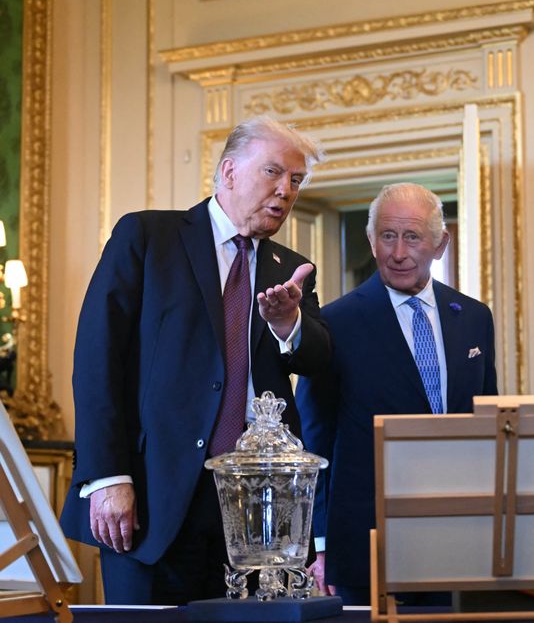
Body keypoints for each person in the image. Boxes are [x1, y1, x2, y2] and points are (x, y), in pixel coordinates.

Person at [59, 116, 332, 604]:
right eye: (273, 172)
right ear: (229, 172)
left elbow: (318, 359)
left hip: (256, 507)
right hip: (152, 493)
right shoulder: (147, 237)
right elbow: (97, 359)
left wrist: (288, 323)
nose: (286, 191)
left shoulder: (289, 268)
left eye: (295, 180)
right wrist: (106, 476)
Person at [296, 182, 498, 604]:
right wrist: (319, 542)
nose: (399, 252)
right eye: (388, 236)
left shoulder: (475, 317)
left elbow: (487, 423)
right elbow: (313, 439)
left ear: (440, 244)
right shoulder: (335, 323)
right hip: (365, 542)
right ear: (372, 241)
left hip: (461, 536)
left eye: (412, 237)